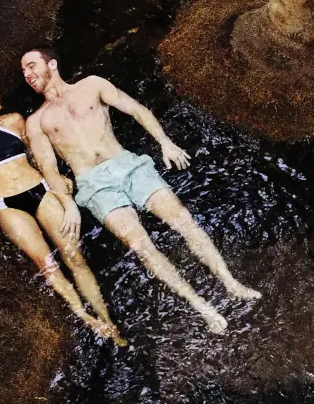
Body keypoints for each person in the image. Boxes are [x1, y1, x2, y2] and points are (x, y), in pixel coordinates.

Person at [21, 47, 260, 334]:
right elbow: (48, 168)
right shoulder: (37, 121)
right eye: (23, 71)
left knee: (183, 220)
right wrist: (68, 203)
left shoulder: (92, 84)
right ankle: (202, 307)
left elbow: (136, 109)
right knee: (141, 245)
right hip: (94, 185)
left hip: (128, 165)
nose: (27, 74)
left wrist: (165, 143)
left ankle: (231, 283)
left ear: (52, 64)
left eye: (31, 66)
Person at [0, 76, 121, 343]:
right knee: (47, 265)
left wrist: (59, 179)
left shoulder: (14, 121)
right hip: (7, 206)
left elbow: (38, 156)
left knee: (73, 256)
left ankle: (107, 319)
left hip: (40, 190)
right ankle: (88, 319)